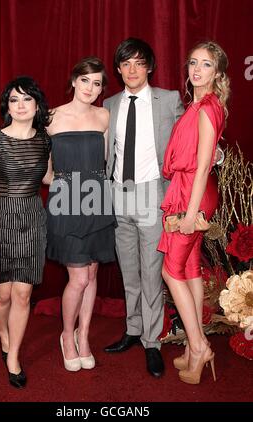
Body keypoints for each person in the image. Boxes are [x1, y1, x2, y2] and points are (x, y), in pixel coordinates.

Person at [103, 38, 185, 377]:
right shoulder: (107, 104)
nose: (132, 69)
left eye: (139, 62)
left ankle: (153, 341)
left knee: (152, 272)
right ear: (119, 69)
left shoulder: (168, 100)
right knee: (129, 270)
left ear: (149, 66)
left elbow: (189, 141)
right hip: (118, 193)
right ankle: (133, 330)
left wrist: (216, 156)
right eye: (126, 63)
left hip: (153, 193)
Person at [158, 41, 230, 384]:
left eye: (206, 64)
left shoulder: (206, 108)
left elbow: (202, 167)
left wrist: (188, 214)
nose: (197, 70)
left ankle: (200, 347)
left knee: (171, 272)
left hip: (193, 193)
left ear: (217, 73)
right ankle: (191, 345)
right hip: (193, 191)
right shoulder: (200, 105)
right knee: (188, 268)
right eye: (193, 63)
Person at [0, 76, 51, 388]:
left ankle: (13, 355)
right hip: (1, 219)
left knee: (23, 293)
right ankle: (3, 332)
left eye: (26, 99)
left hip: (32, 217)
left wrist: (85, 174)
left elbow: (47, 177)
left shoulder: (45, 140)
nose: (20, 105)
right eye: (14, 100)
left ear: (36, 106)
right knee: (2, 293)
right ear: (8, 105)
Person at [44, 57, 116, 372]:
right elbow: (44, 173)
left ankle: (83, 335)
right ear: (74, 81)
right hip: (67, 203)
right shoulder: (49, 118)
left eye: (97, 82)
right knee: (79, 277)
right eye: (85, 80)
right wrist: (67, 186)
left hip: (99, 201)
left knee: (93, 275)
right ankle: (66, 336)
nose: (90, 88)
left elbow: (110, 161)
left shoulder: (104, 116)